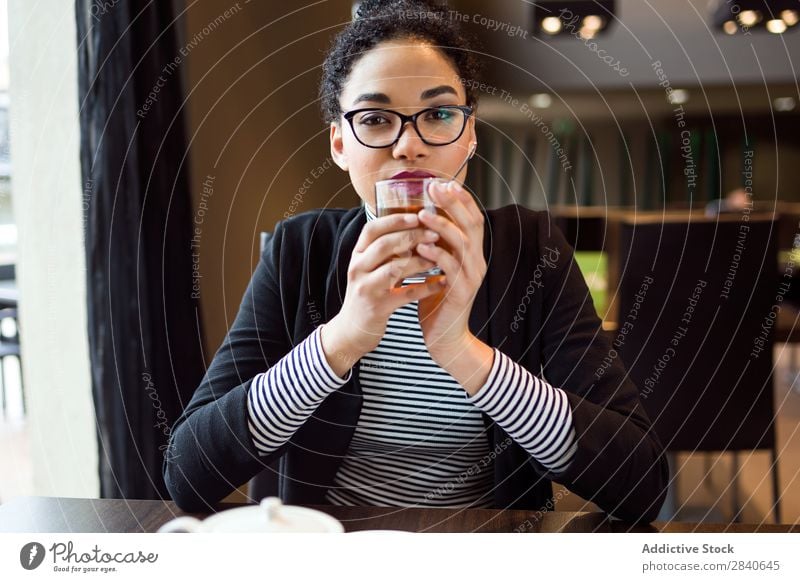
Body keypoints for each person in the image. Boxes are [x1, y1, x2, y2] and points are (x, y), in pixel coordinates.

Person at [164, 0, 668, 522]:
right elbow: (189, 473)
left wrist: (465, 353)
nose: (409, 145)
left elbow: (641, 484)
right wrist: (343, 338)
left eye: (439, 114)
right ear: (340, 143)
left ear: (469, 136)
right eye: (377, 119)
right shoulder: (301, 250)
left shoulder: (531, 248)